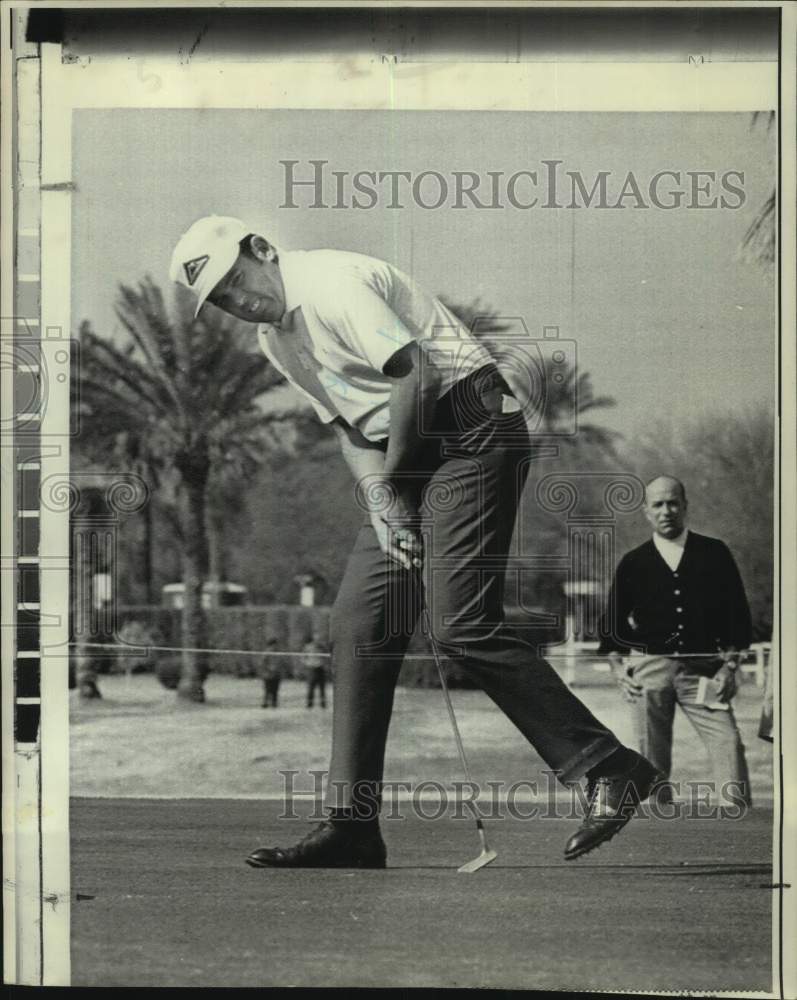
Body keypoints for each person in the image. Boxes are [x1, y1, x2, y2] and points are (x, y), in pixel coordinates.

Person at [170, 216, 659, 868]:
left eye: (236, 281)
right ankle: (351, 826)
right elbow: (349, 428)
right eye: (222, 301)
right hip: (404, 453)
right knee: (358, 623)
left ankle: (608, 767)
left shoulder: (330, 282)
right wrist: (379, 503)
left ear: (262, 250)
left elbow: (415, 378)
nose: (239, 301)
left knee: (460, 623)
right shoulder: (273, 341)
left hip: (471, 428)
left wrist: (394, 486)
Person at [598, 475, 753, 809]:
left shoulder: (714, 553)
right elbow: (612, 624)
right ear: (646, 511)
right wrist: (617, 669)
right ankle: (662, 829)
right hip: (651, 670)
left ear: (685, 506)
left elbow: (738, 616)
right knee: (651, 756)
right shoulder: (634, 561)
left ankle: (739, 825)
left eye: (672, 503)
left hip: (706, 671)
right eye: (658, 504)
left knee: (728, 742)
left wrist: (730, 666)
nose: (666, 511)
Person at [303, 635, 329, 709]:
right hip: (312, 669)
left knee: (322, 688)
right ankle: (309, 704)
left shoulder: (321, 647)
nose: (317, 640)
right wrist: (308, 663)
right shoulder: (307, 647)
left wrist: (324, 664)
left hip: (320, 668)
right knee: (311, 688)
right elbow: (303, 658)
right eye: (316, 638)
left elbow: (326, 657)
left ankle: (323, 704)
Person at [259, 637, 282, 708]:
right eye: (275, 645)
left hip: (276, 674)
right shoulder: (266, 653)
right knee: (267, 689)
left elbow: (281, 663)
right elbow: (262, 663)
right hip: (268, 675)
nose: (276, 646)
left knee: (275, 689)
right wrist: (268, 669)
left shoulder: (278, 653)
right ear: (271, 645)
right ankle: (265, 703)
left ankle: (274, 703)